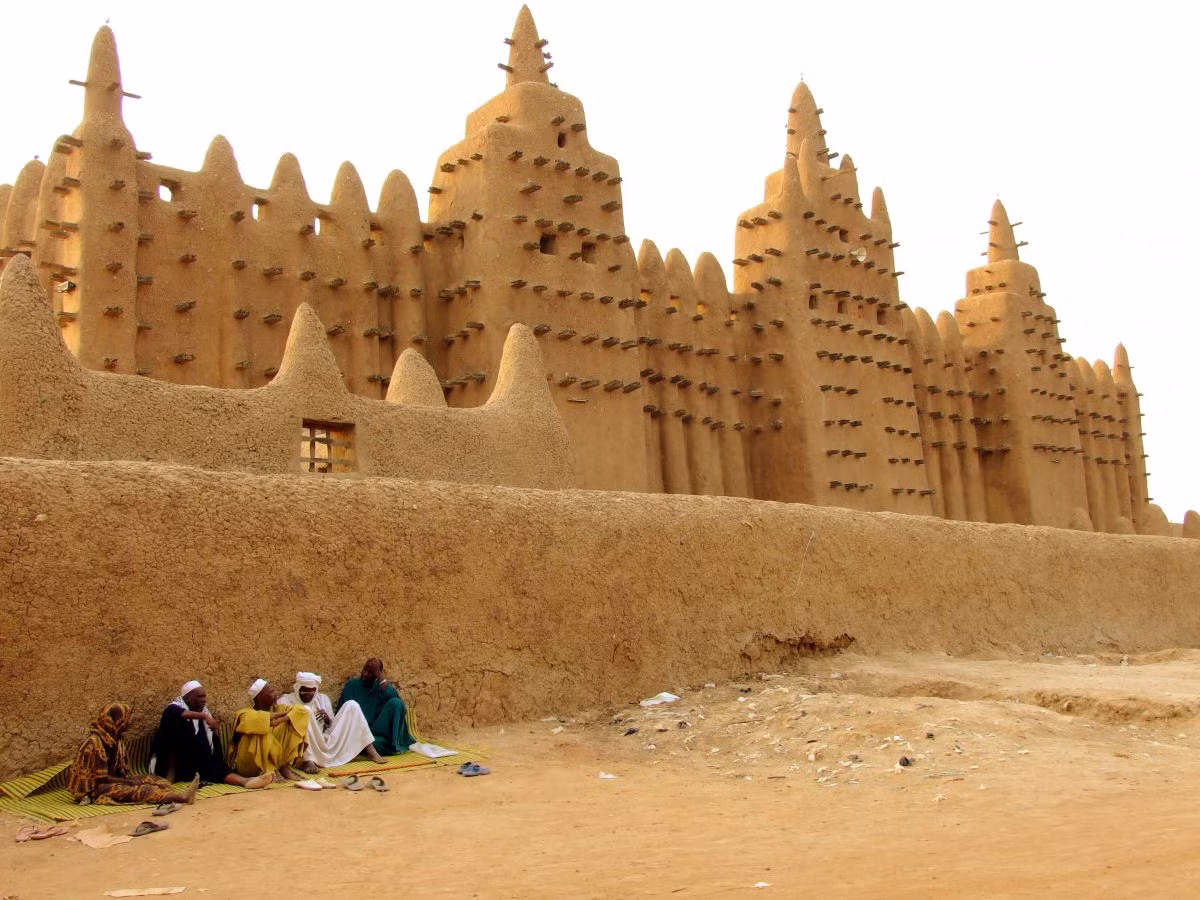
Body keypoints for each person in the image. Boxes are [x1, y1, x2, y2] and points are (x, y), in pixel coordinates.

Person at [67, 701, 199, 806]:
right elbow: (101, 779)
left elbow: (122, 772)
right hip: (95, 788)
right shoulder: (94, 744)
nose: (127, 724)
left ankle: (165, 795)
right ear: (115, 720)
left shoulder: (115, 740)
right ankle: (182, 797)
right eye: (124, 720)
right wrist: (131, 783)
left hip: (113, 779)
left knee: (158, 781)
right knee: (145, 790)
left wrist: (132, 779)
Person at [149, 680, 272, 790]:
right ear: (187, 698)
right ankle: (170, 777)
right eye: (199, 696)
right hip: (173, 761)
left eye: (204, 696)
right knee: (175, 731)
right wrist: (204, 717)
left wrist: (212, 729)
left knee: (216, 767)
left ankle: (246, 781)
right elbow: (182, 715)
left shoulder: (203, 711)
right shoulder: (172, 709)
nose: (203, 699)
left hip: (196, 761)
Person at [279, 672, 386, 772]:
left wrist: (327, 719)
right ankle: (307, 760)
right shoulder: (286, 701)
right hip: (304, 744)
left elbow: (331, 726)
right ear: (297, 689)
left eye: (312, 692)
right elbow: (283, 729)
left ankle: (370, 749)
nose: (308, 695)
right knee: (304, 711)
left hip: (324, 738)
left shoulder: (322, 699)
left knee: (352, 705)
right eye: (304, 691)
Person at [229, 679, 309, 782]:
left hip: (278, 759)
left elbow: (302, 710)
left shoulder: (277, 708)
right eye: (271, 692)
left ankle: (283, 768)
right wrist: (279, 717)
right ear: (259, 696)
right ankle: (271, 769)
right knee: (260, 728)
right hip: (249, 764)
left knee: (293, 722)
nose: (275, 695)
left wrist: (282, 719)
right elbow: (257, 718)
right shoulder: (243, 713)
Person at [338, 658, 415, 756]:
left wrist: (380, 676)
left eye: (370, 672)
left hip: (377, 730)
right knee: (371, 743)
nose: (365, 674)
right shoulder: (352, 686)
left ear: (376, 675)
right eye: (365, 670)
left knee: (396, 703)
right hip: (360, 733)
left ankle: (394, 745)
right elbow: (345, 714)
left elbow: (397, 704)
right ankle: (380, 748)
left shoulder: (380, 687)